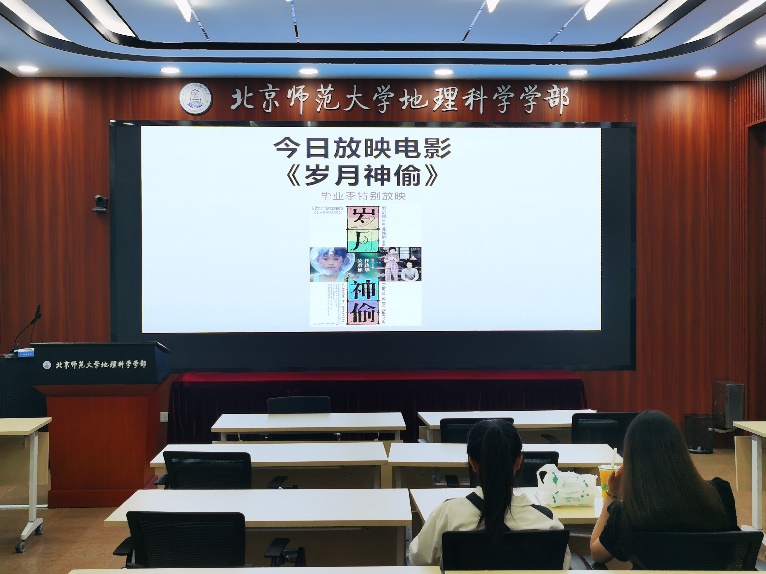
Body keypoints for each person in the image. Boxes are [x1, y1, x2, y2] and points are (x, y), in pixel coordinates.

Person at [408, 419, 571, 568]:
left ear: (472, 463)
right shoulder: (546, 521)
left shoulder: (448, 514)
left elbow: (418, 559)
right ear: (519, 461)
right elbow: (562, 565)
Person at [590, 410, 738, 567]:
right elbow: (731, 549)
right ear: (680, 450)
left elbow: (596, 554)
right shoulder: (720, 494)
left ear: (632, 461)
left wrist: (612, 493)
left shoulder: (628, 514)